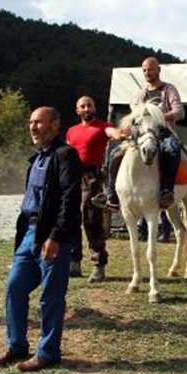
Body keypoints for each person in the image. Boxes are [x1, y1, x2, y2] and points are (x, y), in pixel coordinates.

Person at [0, 107, 82, 371]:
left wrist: (55, 236)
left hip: (52, 237)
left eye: (38, 122)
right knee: (15, 287)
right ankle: (17, 346)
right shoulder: (36, 159)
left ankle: (48, 352)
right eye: (30, 122)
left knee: (51, 296)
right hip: (29, 235)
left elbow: (69, 199)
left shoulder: (66, 155)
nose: (33, 127)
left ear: (55, 124)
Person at [105, 56, 185, 210]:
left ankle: (167, 190)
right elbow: (135, 117)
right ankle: (111, 193)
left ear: (158, 70)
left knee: (172, 148)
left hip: (163, 133)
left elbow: (180, 112)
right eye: (145, 70)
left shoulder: (169, 89)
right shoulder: (140, 95)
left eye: (151, 69)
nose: (148, 72)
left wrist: (160, 117)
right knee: (114, 152)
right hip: (141, 135)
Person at [65, 95, 122, 282]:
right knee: (71, 218)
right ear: (77, 110)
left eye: (89, 105)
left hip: (92, 178)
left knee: (91, 219)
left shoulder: (103, 126)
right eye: (83, 106)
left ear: (94, 108)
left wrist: (121, 133)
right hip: (71, 177)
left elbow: (113, 133)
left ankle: (99, 265)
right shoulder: (71, 131)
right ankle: (74, 263)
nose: (87, 108)